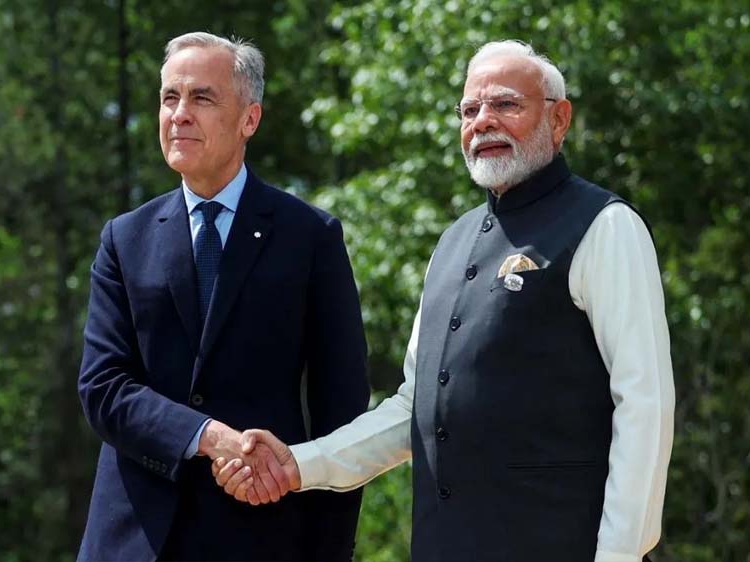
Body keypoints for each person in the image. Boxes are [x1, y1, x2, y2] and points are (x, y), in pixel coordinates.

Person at [215, 39, 675, 562]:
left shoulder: (606, 226)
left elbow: (645, 405)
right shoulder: (451, 243)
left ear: (559, 119)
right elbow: (413, 411)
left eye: (506, 104)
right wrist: (300, 464)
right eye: (470, 109)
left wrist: (619, 555)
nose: (484, 122)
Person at [75, 32, 369, 562]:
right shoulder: (124, 238)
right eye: (170, 97)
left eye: (202, 98)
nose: (179, 115)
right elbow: (103, 387)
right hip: (133, 541)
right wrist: (209, 436)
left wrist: (329, 550)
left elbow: (341, 409)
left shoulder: (310, 237)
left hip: (262, 537)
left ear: (249, 120)